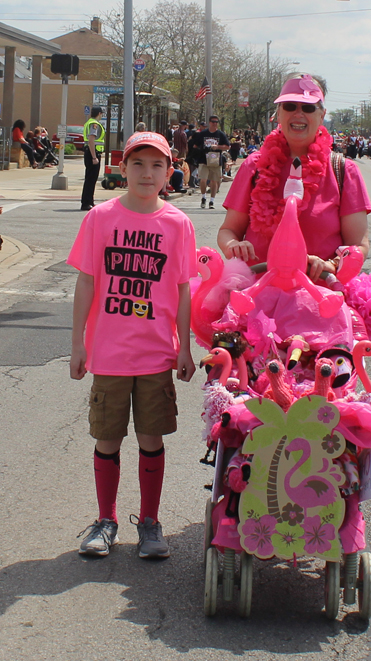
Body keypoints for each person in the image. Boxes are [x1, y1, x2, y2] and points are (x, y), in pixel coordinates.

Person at [68, 131, 197, 558]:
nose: (147, 173)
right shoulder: (100, 218)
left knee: (150, 437)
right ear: (122, 169)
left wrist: (184, 347)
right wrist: (78, 344)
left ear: (170, 172)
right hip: (109, 353)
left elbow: (182, 289)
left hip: (157, 353)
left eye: (157, 165)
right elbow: (86, 282)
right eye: (138, 164)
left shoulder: (177, 223)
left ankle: (149, 523)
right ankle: (106, 520)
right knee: (106, 438)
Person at [218, 73, 370, 283]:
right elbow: (228, 230)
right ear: (279, 114)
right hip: (257, 299)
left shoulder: (343, 170)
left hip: (320, 300)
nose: (298, 114)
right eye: (290, 106)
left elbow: (358, 245)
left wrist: (332, 264)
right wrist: (232, 245)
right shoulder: (254, 166)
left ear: (322, 114)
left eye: (308, 108)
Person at [192, 115, 229, 209]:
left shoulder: (220, 134)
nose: (215, 123)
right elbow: (195, 145)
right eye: (213, 121)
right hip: (204, 160)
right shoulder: (203, 133)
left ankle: (212, 201)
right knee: (203, 179)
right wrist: (203, 148)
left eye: (216, 122)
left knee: (214, 181)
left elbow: (227, 146)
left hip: (216, 160)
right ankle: (203, 197)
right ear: (209, 122)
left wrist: (218, 147)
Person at [81, 106, 105, 211]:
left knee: (90, 178)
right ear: (99, 113)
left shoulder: (89, 122)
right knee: (91, 179)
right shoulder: (94, 124)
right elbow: (91, 139)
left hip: (90, 152)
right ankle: (86, 202)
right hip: (93, 153)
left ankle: (89, 201)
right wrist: (94, 157)